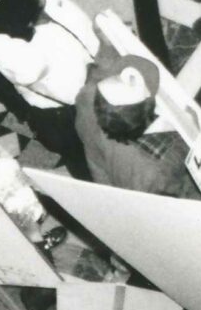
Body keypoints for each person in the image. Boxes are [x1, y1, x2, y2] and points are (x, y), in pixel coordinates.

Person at [0, 0, 97, 174]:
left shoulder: (17, 45)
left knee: (82, 155)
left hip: (69, 111)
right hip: (71, 113)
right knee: (84, 157)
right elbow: (27, 65)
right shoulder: (34, 45)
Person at [72, 49, 192, 198]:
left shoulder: (86, 101)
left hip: (107, 178)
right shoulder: (156, 169)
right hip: (141, 188)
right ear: (148, 108)